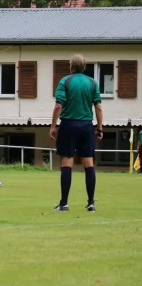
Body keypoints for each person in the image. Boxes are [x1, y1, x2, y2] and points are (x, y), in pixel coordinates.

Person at [50, 54, 103, 212]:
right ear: (84, 67)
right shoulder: (92, 82)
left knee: (67, 162)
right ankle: (91, 203)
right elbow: (98, 107)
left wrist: (53, 126)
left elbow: (58, 106)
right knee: (89, 162)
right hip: (87, 125)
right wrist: (99, 128)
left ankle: (64, 203)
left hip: (68, 124)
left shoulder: (65, 81)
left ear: (71, 66)